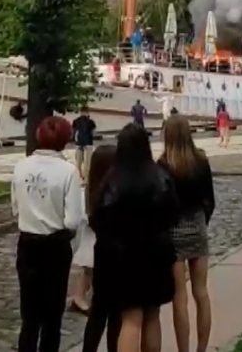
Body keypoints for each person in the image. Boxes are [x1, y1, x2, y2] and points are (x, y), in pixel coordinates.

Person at [90, 123, 178, 352]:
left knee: (130, 321)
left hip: (122, 258)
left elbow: (99, 218)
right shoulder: (161, 177)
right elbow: (172, 215)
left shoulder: (112, 180)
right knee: (152, 317)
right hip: (155, 254)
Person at [12, 115, 83, 352]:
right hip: (55, 246)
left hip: (28, 244)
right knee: (52, 317)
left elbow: (15, 208)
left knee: (29, 315)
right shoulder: (68, 172)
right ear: (66, 139)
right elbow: (73, 219)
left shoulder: (21, 166)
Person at [158, 115, 215, 352]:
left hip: (174, 232)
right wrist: (203, 221)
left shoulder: (163, 164)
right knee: (201, 292)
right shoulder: (200, 159)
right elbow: (210, 199)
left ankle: (183, 349)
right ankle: (202, 347)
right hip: (197, 226)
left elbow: (161, 203)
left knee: (179, 298)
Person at [79, 145, 122, 352]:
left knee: (98, 312)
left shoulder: (91, 192)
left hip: (100, 256)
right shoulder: (114, 194)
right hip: (117, 256)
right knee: (116, 316)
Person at [73, 107, 97, 181]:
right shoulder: (91, 122)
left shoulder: (75, 121)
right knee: (87, 162)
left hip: (78, 143)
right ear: (87, 112)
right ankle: (86, 178)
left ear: (80, 112)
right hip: (88, 143)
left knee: (78, 162)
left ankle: (78, 177)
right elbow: (93, 133)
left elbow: (74, 132)